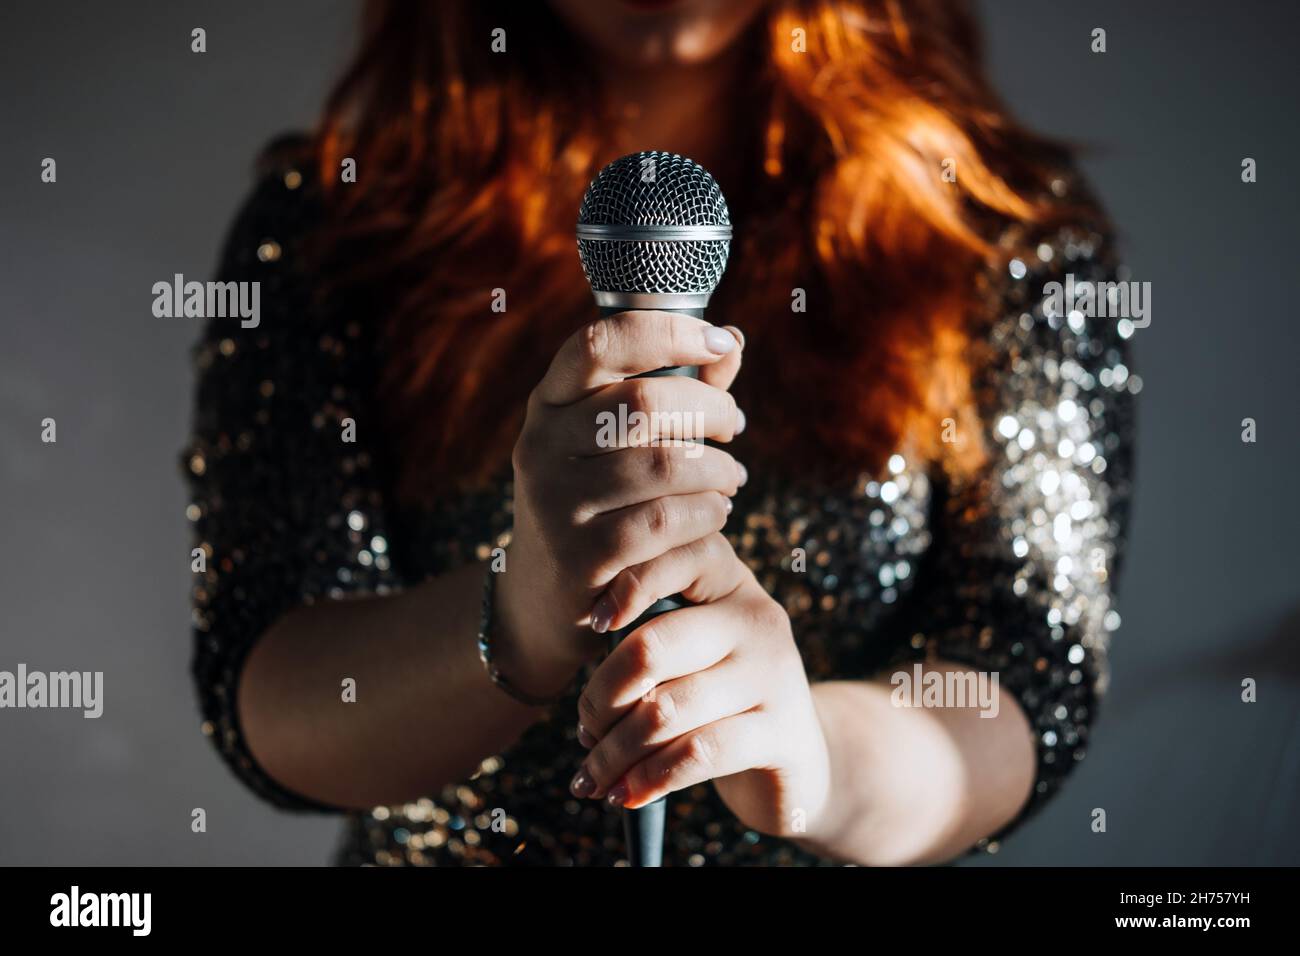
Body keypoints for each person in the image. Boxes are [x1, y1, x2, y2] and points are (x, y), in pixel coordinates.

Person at [183, 0, 1137, 866]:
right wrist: (523, 611)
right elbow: (270, 689)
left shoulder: (998, 229)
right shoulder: (331, 228)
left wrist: (811, 750)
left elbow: (1023, 672)